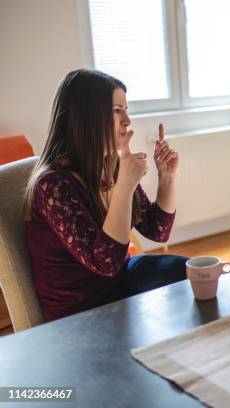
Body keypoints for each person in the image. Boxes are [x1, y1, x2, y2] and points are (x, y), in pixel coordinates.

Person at [24, 69, 187, 322]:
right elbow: (107, 263)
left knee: (193, 271)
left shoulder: (108, 165)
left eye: (126, 109)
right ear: (85, 117)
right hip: (79, 314)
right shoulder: (52, 186)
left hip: (119, 285)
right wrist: (124, 185)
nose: (127, 121)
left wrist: (167, 177)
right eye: (116, 110)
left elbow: (157, 230)